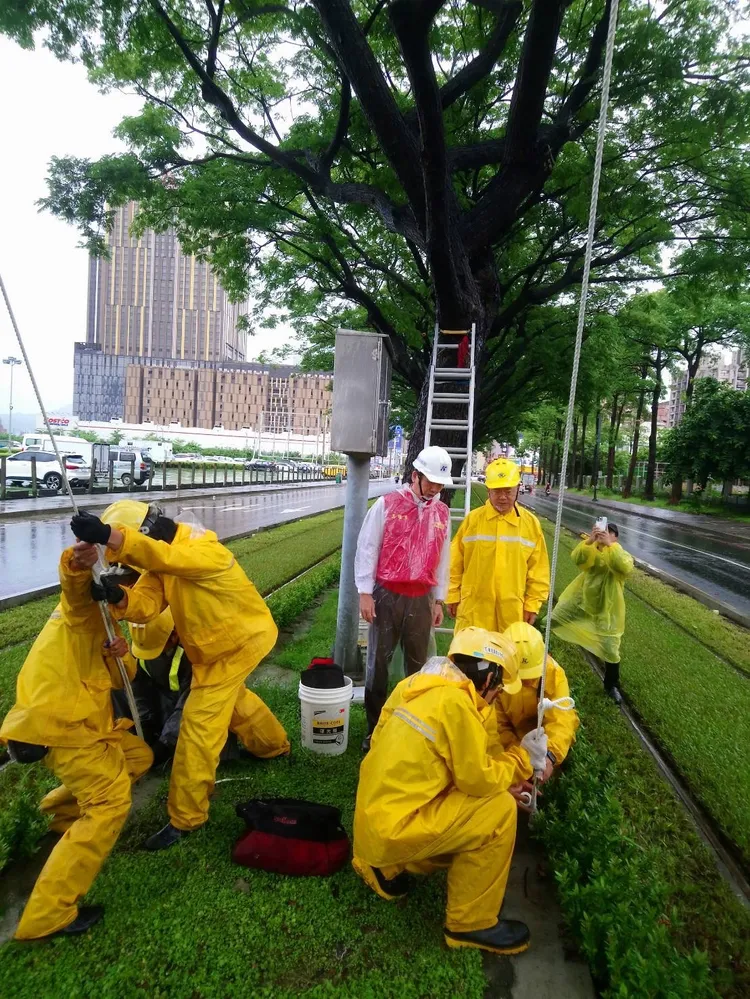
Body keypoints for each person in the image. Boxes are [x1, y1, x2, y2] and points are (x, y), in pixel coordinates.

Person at [70, 500, 290, 852]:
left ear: (142, 535)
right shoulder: (163, 560)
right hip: (215, 651)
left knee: (198, 729)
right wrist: (117, 596)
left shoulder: (202, 551)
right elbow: (147, 603)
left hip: (238, 645)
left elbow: (163, 560)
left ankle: (187, 818)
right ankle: (273, 746)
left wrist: (110, 536)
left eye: (128, 560)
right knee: (234, 702)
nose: (129, 568)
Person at [352, 627, 548, 955]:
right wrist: (523, 759)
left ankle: (384, 868)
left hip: (375, 822)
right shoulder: (458, 705)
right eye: (499, 687)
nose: (498, 695)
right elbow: (480, 780)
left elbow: (379, 742)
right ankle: (471, 925)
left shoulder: (414, 685)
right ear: (488, 680)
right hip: (397, 829)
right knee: (498, 810)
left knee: (469, 805)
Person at [0, 544, 152, 940]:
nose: (128, 598)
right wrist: (78, 561)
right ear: (115, 580)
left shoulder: (106, 623)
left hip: (86, 727)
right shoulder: (84, 606)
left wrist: (121, 654)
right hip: (63, 727)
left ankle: (57, 813)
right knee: (109, 802)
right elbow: (73, 585)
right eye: (128, 588)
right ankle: (49, 915)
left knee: (138, 755)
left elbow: (123, 678)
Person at [355, 445, 453, 748]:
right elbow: (368, 547)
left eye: (439, 484)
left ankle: (415, 725)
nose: (435, 488)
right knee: (378, 664)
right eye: (431, 481)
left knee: (419, 666)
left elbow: (443, 558)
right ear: (416, 475)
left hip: (422, 597)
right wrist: (365, 593)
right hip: (387, 594)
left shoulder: (442, 513)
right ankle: (375, 727)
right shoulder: (387, 505)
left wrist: (439, 600)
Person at [447, 458, 550, 634]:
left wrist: (532, 604)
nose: (503, 497)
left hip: (511, 613)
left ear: (518, 489)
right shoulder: (473, 521)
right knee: (469, 659)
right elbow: (454, 562)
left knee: (508, 658)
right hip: (474, 610)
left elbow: (538, 570)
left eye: (508, 491)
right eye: (497, 491)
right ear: (488, 490)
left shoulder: (530, 525)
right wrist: (452, 595)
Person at [551, 521, 633, 703]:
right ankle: (539, 650)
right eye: (602, 532)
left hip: (607, 609)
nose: (604, 536)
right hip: (581, 600)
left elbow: (624, 567)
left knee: (611, 648)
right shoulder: (592, 548)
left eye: (608, 533)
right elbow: (578, 559)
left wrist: (609, 546)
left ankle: (611, 685)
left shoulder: (620, 553)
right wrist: (589, 541)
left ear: (616, 537)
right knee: (552, 620)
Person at [493, 622, 579, 782]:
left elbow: (562, 721)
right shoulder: (496, 679)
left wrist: (549, 756)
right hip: (513, 744)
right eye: (521, 676)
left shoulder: (554, 674)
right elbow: (498, 725)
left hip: (546, 743)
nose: (526, 681)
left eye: (531, 675)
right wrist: (521, 758)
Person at [115, 608, 193, 764]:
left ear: (174, 635)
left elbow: (190, 705)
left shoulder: (194, 653)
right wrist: (144, 723)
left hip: (187, 708)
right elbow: (138, 688)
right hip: (163, 700)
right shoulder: (143, 643)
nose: (150, 655)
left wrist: (165, 744)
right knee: (115, 685)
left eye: (155, 649)